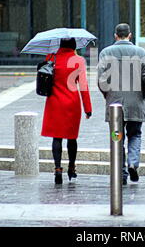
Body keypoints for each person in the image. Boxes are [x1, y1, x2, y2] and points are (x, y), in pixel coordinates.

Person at [97, 23, 145, 185]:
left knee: (117, 138)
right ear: (130, 35)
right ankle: (133, 163)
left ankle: (121, 173)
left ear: (115, 36)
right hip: (136, 102)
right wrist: (144, 94)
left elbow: (101, 80)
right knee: (135, 134)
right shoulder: (140, 52)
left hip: (114, 103)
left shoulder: (106, 53)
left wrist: (107, 95)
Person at [41, 38, 92, 185]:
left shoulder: (51, 57)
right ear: (74, 46)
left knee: (56, 137)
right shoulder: (79, 60)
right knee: (71, 137)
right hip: (72, 102)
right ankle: (71, 166)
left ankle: (57, 168)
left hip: (54, 102)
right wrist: (87, 108)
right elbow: (83, 85)